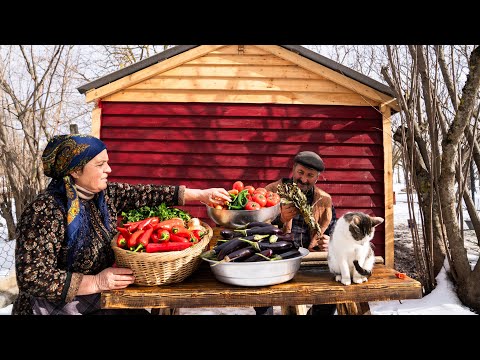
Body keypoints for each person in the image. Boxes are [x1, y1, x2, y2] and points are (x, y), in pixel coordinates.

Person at [12, 134, 231, 315]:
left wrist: (200, 194)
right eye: (100, 164)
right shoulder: (45, 211)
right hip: (53, 307)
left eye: (107, 162)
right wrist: (96, 282)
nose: (109, 169)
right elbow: (32, 276)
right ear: (75, 171)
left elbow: (147, 194)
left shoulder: (103, 195)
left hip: (97, 298)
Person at [254, 150, 337, 316]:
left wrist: (331, 241)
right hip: (276, 259)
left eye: (310, 175)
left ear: (317, 177)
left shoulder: (324, 199)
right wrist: (280, 219)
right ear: (293, 169)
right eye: (300, 172)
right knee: (259, 292)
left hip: (310, 261)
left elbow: (334, 227)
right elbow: (255, 228)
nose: (304, 179)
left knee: (333, 294)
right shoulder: (271, 191)